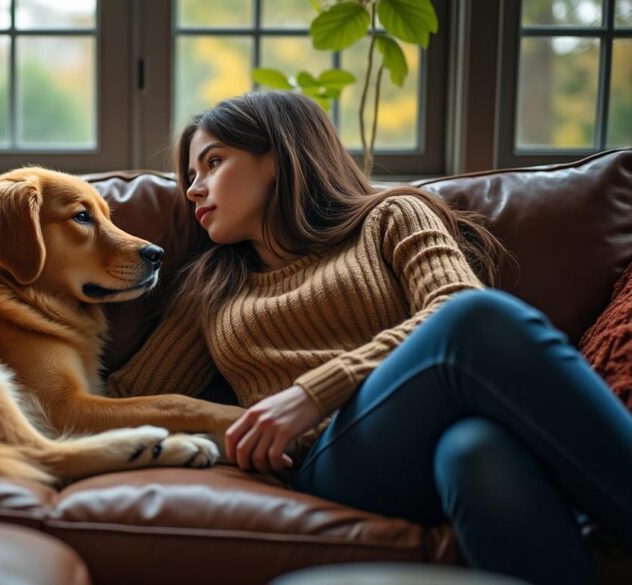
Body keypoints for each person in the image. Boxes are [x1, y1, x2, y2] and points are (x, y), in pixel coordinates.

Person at [106, 91, 632, 585]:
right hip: (332, 460)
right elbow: (127, 399)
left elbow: (451, 302)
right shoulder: (211, 285)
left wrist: (308, 393)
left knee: (475, 450)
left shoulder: (391, 216)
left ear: (279, 157)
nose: (193, 187)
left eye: (213, 162)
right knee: (478, 322)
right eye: (191, 173)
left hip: (438, 434)